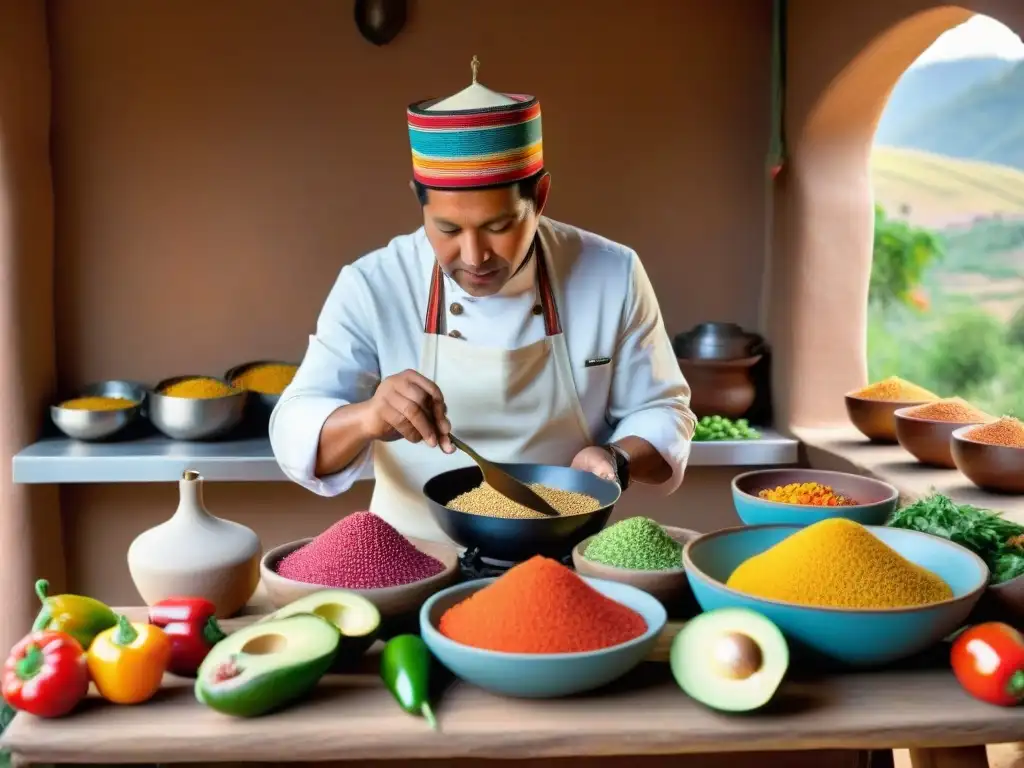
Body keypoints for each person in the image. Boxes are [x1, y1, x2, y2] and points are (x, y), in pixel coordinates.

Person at [270, 58, 696, 544]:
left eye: (499, 227)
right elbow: (293, 430)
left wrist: (616, 459)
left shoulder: (611, 273)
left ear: (541, 196)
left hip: (561, 553)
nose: (474, 257)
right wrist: (367, 416)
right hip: (408, 559)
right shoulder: (373, 284)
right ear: (418, 200)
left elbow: (664, 411)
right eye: (447, 230)